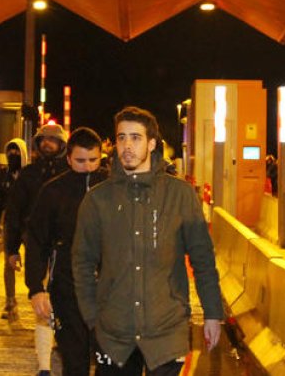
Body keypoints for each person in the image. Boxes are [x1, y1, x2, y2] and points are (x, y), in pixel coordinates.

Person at [74, 106, 223, 375]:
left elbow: (203, 259)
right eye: (121, 138)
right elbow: (82, 262)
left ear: (152, 143)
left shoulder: (181, 196)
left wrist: (213, 313)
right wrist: (92, 316)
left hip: (166, 333)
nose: (127, 145)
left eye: (135, 137)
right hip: (113, 337)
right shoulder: (97, 200)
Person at [25, 127, 108, 376]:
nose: (88, 167)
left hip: (109, 290)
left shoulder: (113, 187)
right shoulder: (52, 192)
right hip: (66, 287)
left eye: (93, 160)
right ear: (69, 158)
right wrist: (36, 288)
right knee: (74, 361)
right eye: (81, 161)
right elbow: (37, 241)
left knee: (109, 362)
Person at [5, 123, 68, 374]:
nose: (47, 143)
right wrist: (11, 249)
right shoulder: (28, 175)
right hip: (37, 248)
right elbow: (13, 213)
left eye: (53, 140)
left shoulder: (70, 172)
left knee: (66, 304)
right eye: (43, 139)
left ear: (62, 145)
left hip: (67, 248)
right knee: (42, 303)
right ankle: (43, 364)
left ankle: (64, 347)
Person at [0, 137, 27, 320]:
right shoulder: (3, 175)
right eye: (10, 152)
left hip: (29, 224)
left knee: (37, 261)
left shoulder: (30, 174)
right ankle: (10, 301)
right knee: (8, 263)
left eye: (16, 152)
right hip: (10, 225)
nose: (13, 155)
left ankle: (39, 294)